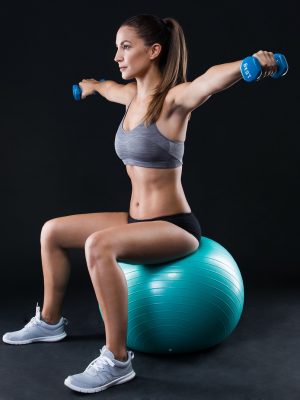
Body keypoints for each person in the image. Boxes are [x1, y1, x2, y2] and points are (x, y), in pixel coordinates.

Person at [2, 13, 278, 394]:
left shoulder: (175, 100)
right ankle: (50, 322)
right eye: (117, 47)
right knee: (52, 231)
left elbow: (211, 79)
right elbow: (108, 86)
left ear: (154, 50)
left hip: (175, 227)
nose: (117, 55)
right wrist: (90, 87)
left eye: (126, 46)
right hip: (137, 219)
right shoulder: (132, 97)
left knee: (98, 244)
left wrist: (253, 63)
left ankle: (117, 359)